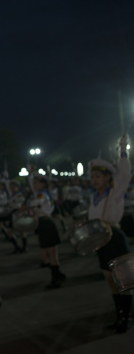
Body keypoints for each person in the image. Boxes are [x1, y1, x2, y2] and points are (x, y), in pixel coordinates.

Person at [88, 135, 132, 334]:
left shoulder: (115, 192)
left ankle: (126, 317)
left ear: (107, 177)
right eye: (93, 176)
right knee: (110, 280)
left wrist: (123, 149)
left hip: (114, 238)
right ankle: (119, 315)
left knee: (122, 281)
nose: (94, 180)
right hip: (101, 240)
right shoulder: (94, 197)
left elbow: (124, 174)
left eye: (98, 176)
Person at [27, 173, 66, 289]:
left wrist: (28, 205)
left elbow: (34, 203)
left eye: (36, 183)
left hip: (47, 224)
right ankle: (58, 274)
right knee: (44, 255)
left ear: (43, 184)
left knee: (52, 254)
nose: (34, 185)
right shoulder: (40, 194)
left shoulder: (43, 195)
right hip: (42, 225)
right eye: (33, 183)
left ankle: (56, 280)